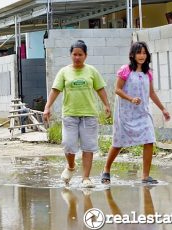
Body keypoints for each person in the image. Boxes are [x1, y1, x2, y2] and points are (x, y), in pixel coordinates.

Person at [43, 40, 111, 188]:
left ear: (85, 55)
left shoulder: (92, 71)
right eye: (74, 54)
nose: (77, 57)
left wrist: (106, 104)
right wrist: (47, 107)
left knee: (88, 147)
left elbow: (100, 89)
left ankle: (86, 178)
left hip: (89, 114)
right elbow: (55, 90)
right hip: (70, 114)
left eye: (80, 54)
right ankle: (71, 166)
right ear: (70, 55)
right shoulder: (64, 72)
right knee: (68, 145)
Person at [101, 41, 170, 185]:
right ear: (132, 55)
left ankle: (145, 175)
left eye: (144, 53)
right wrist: (131, 99)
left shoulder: (148, 73)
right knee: (118, 142)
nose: (142, 56)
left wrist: (163, 109)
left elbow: (151, 93)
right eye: (139, 52)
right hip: (125, 114)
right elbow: (117, 89)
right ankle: (106, 168)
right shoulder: (125, 70)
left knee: (149, 140)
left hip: (143, 113)